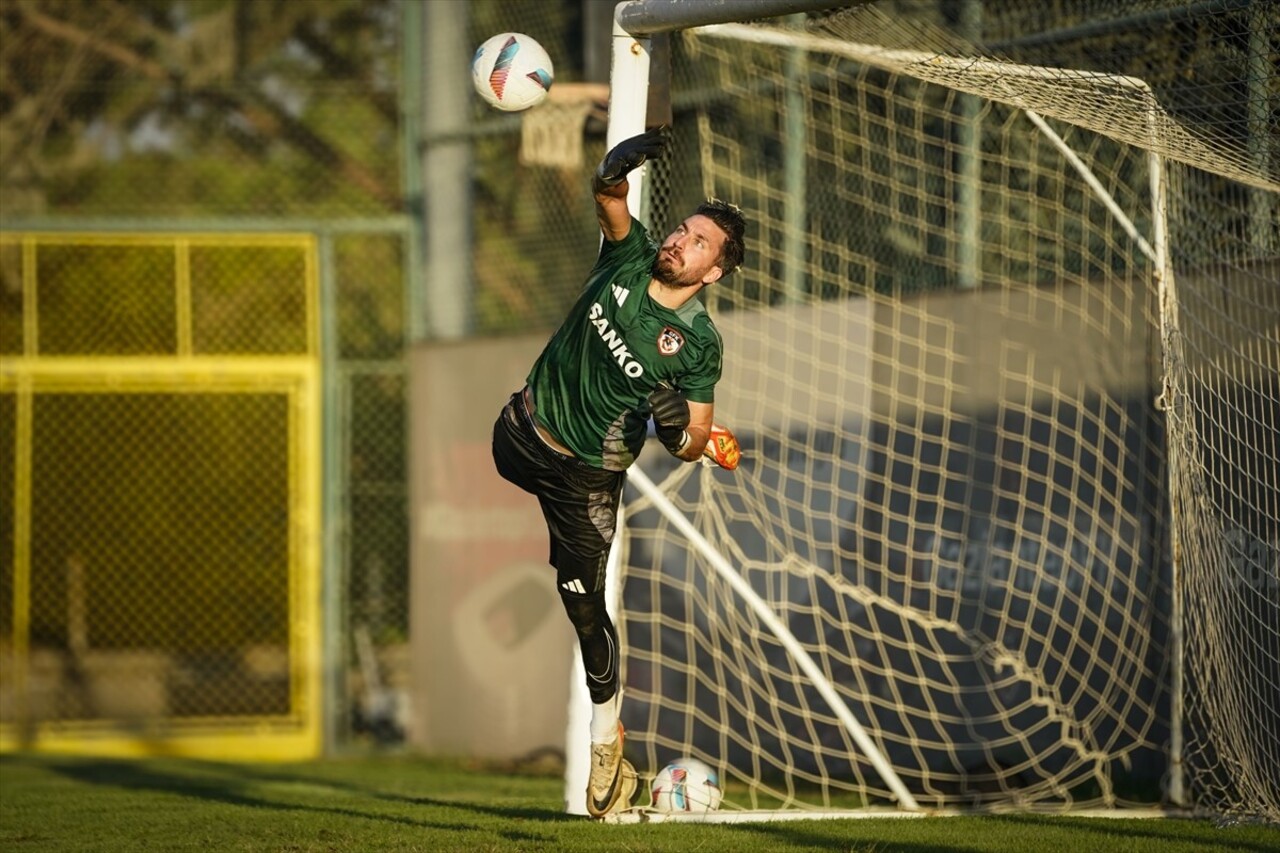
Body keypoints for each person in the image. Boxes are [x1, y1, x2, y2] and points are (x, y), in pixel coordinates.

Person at [491, 127, 746, 818]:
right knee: (511, 455)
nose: (679, 241)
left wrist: (678, 427)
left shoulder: (696, 343)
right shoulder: (628, 257)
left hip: (585, 482)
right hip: (519, 434)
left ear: (712, 272)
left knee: (581, 605)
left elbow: (693, 441)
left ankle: (608, 743)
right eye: (682, 229)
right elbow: (611, 200)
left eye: (698, 243)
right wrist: (612, 170)